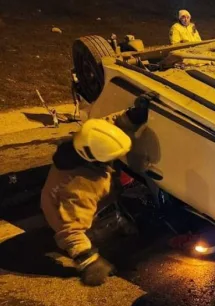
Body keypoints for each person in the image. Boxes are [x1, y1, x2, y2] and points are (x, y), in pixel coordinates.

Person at [40, 93, 153, 286]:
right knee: (126, 240)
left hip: (70, 201)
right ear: (98, 159)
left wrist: (133, 115)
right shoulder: (81, 187)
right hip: (77, 218)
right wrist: (88, 261)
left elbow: (108, 127)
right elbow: (70, 231)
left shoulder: (84, 140)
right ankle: (108, 241)